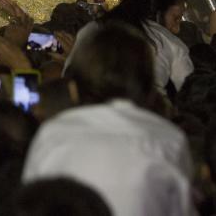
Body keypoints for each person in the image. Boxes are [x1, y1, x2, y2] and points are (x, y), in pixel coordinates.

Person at [23, 20, 194, 216]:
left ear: (73, 87)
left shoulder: (52, 134)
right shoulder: (169, 139)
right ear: (147, 83)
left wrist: (21, 66)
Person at [105, 0, 194, 93]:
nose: (177, 29)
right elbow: (191, 96)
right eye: (176, 18)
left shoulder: (95, 29)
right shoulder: (171, 43)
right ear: (158, 12)